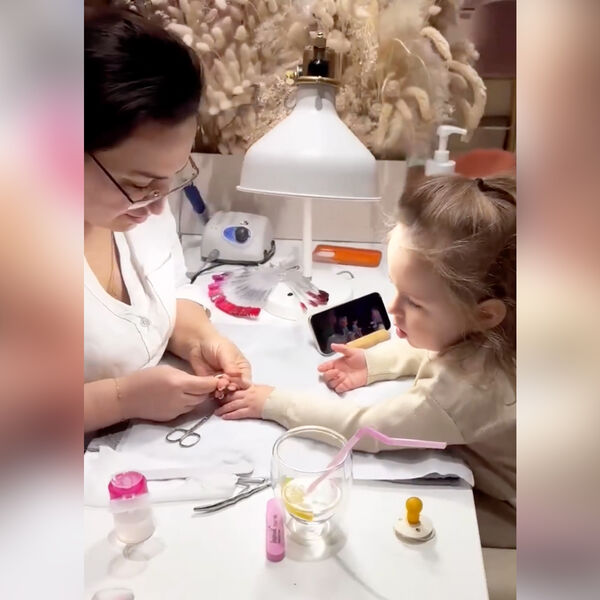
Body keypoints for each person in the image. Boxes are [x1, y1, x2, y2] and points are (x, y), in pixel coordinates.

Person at [215, 174, 516, 549]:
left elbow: (368, 430)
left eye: (415, 303)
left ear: (485, 314)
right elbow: (438, 345)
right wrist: (374, 364)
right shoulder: (500, 329)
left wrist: (273, 403)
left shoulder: (466, 391)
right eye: (397, 289)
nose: (393, 308)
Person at [84, 8, 251, 433]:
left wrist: (200, 340)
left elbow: (169, 290)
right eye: (139, 183)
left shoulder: (138, 203)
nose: (158, 205)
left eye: (173, 176)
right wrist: (119, 399)